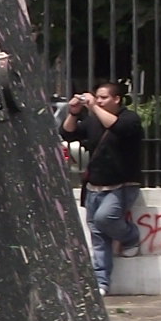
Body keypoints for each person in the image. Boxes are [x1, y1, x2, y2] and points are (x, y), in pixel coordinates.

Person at [62, 81, 143, 294]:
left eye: (103, 97)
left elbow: (117, 127)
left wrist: (93, 107)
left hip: (121, 185)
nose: (98, 101)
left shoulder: (129, 119)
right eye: (97, 97)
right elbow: (68, 134)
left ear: (117, 99)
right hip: (94, 185)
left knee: (105, 218)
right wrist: (73, 112)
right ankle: (101, 281)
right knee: (97, 236)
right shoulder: (92, 121)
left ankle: (130, 236)